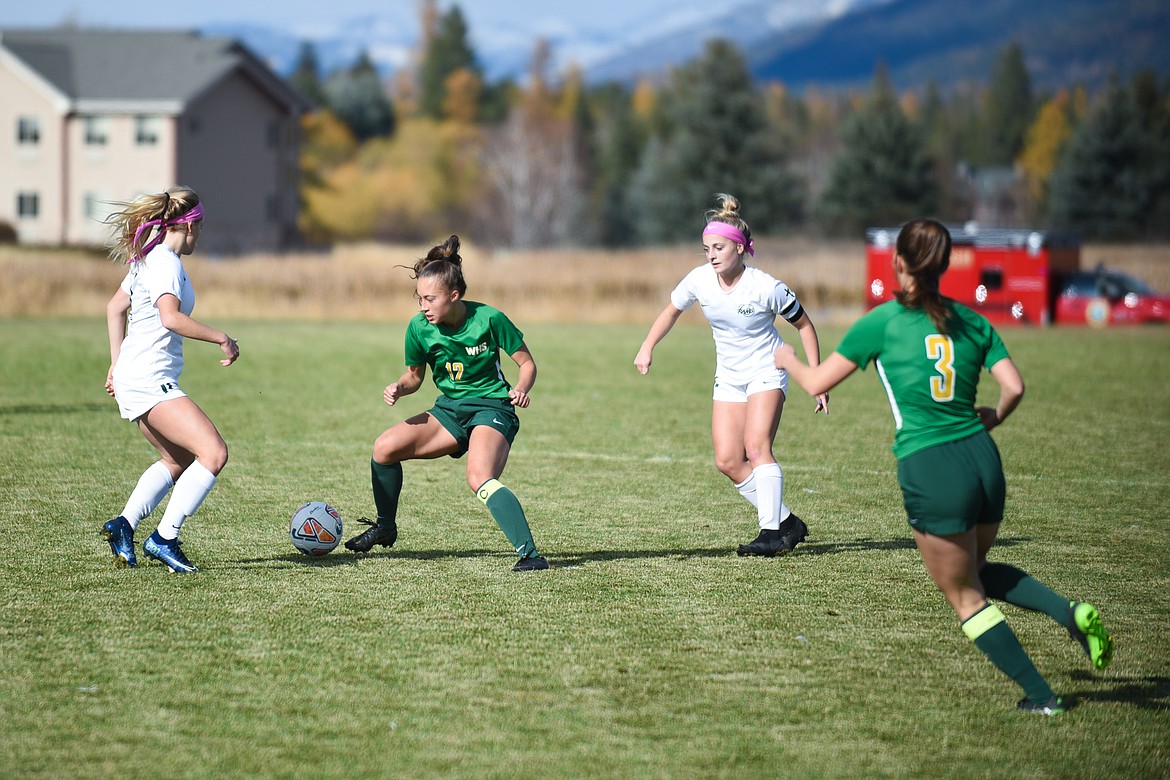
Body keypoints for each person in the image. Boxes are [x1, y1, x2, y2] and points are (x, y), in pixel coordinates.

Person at [775, 218, 1113, 715]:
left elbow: (816, 381)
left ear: (898, 263)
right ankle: (1069, 613)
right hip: (982, 459)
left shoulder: (883, 321)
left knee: (965, 598)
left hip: (931, 466)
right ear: (945, 265)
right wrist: (991, 419)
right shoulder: (972, 321)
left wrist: (787, 359)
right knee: (974, 569)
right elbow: (1014, 386)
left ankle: (1042, 697)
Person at [634, 193, 828, 556]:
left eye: (718, 247)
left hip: (767, 373)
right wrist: (648, 346)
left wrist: (818, 378)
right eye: (706, 248)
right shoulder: (699, 280)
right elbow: (670, 312)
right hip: (729, 376)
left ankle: (771, 534)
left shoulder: (765, 286)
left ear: (740, 248)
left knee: (757, 448)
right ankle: (787, 523)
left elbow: (805, 326)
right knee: (727, 460)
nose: (711, 255)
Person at [343, 235, 549, 572]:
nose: (423, 306)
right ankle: (385, 526)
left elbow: (527, 364)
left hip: (492, 408)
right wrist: (399, 387)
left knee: (479, 476)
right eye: (419, 298)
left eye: (430, 299)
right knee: (384, 448)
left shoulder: (490, 319)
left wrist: (521, 389)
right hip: (450, 411)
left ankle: (530, 555)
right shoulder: (419, 327)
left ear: (454, 296)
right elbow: (414, 377)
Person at [101, 186, 240, 574]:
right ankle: (164, 539)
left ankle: (124, 525)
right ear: (190, 225)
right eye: (201, 227)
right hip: (148, 377)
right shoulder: (164, 262)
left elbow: (115, 308)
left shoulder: (148, 258)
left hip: (136, 374)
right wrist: (222, 338)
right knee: (213, 453)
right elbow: (170, 317)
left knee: (177, 458)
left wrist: (116, 364)